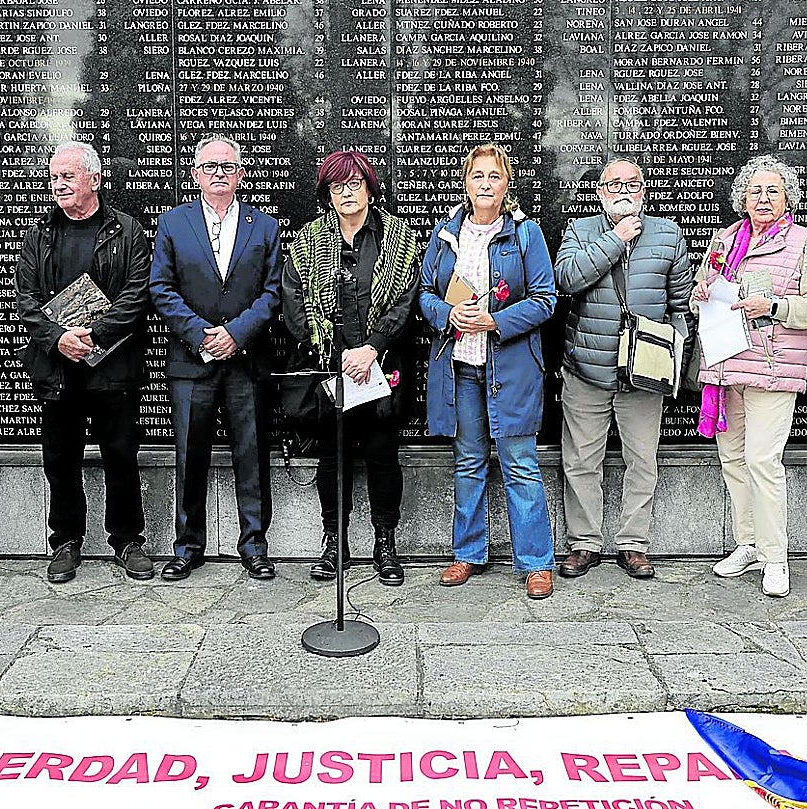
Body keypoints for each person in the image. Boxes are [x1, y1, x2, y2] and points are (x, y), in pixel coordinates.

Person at [418, 143, 557, 599]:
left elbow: (545, 300)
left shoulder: (526, 233)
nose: (485, 183)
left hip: (511, 369)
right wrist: (448, 315)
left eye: (494, 176)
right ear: (466, 182)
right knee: (468, 462)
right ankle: (467, 553)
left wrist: (494, 321)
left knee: (520, 464)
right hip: (460, 368)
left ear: (506, 183)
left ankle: (536, 562)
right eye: (477, 175)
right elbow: (424, 294)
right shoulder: (445, 233)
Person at [14, 141, 153, 584]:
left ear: (94, 179)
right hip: (59, 369)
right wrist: (59, 339)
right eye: (54, 176)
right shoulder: (39, 234)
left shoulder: (127, 231)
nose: (57, 184)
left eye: (67, 176)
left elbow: (137, 295)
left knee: (121, 456)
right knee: (60, 459)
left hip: (113, 366)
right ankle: (66, 541)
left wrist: (95, 335)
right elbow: (26, 299)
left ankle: (127, 540)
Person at [282, 150, 420, 586]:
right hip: (330, 369)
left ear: (369, 189)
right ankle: (334, 542)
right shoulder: (307, 242)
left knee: (382, 456)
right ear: (327, 194)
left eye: (354, 184)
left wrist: (372, 348)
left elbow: (405, 302)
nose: (346, 193)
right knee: (332, 458)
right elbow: (294, 305)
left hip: (381, 368)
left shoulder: (398, 238)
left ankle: (385, 543)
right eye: (337, 186)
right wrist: (337, 353)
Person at [149, 135, 282, 581]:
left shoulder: (265, 227)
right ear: (195, 174)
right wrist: (202, 336)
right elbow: (161, 289)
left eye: (227, 166)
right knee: (190, 457)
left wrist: (235, 334)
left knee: (252, 454)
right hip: (192, 363)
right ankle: (188, 546)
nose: (219, 173)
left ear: (241, 174)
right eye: (210, 166)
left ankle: (254, 546)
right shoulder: (173, 224)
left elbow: (272, 293)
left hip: (246, 361)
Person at [554, 158, 692, 580]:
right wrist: (615, 239)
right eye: (614, 184)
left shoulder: (668, 234)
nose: (624, 190)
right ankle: (584, 543)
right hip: (587, 369)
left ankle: (634, 544)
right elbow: (566, 279)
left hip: (645, 374)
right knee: (581, 461)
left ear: (644, 191)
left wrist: (674, 359)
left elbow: (680, 305)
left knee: (642, 460)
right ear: (600, 193)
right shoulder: (580, 231)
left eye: (632, 183)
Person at [693, 155, 807, 597]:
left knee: (763, 462)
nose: (762, 199)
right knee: (732, 459)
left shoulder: (805, 242)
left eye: (772, 191)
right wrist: (701, 292)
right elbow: (702, 290)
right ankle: (747, 543)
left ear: (788, 198)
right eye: (754, 191)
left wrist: (775, 307)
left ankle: (775, 557)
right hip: (727, 367)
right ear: (742, 198)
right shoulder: (725, 239)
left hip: (772, 367)